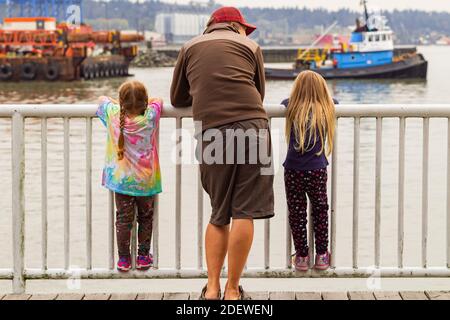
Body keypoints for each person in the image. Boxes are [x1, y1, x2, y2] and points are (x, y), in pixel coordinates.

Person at [170, 7, 274, 300]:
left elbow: (177, 98)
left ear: (210, 26)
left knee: (219, 214)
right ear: (234, 25)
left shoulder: (189, 47)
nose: (246, 34)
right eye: (244, 28)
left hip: (212, 131)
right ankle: (232, 290)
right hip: (254, 127)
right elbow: (259, 92)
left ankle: (212, 287)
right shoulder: (251, 47)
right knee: (245, 211)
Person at [96, 80, 163, 272]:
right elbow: (158, 101)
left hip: (122, 181)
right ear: (144, 103)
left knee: (123, 219)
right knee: (146, 217)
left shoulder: (114, 115)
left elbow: (101, 100)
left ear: (121, 102)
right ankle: (143, 256)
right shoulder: (150, 117)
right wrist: (147, 103)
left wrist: (115, 103)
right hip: (145, 181)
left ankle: (124, 259)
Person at [283, 71, 336, 272]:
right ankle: (322, 255)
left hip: (293, 170)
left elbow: (284, 100)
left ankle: (302, 257)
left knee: (297, 214)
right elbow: (335, 100)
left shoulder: (292, 106)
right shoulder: (326, 108)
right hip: (317, 170)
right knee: (320, 210)